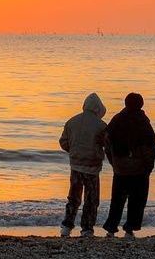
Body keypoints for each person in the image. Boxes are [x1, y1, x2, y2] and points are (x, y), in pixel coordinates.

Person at [101, 93, 155, 238]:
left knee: (117, 200)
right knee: (137, 201)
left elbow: (107, 143)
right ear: (141, 104)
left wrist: (114, 162)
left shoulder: (116, 119)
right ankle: (129, 229)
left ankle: (111, 229)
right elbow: (149, 148)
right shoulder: (143, 121)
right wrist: (148, 167)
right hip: (139, 169)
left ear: (125, 103)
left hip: (120, 168)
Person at [57, 93, 108, 237]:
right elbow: (106, 143)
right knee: (91, 200)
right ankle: (87, 229)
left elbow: (63, 142)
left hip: (76, 166)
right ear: (98, 109)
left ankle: (67, 226)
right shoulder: (101, 125)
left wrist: (73, 150)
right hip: (92, 168)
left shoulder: (72, 121)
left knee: (73, 197)